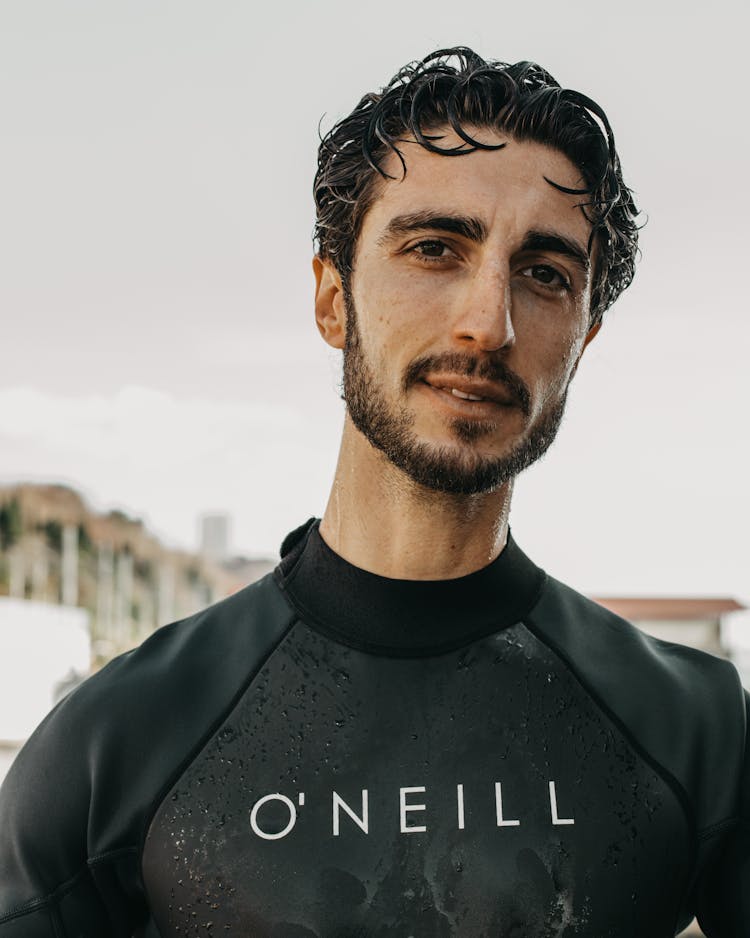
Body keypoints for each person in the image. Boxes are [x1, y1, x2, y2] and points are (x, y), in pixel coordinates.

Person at [0, 47, 746, 938]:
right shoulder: (114, 743)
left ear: (583, 338)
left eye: (545, 273)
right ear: (332, 299)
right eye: (435, 249)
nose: (488, 322)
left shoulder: (697, 732)